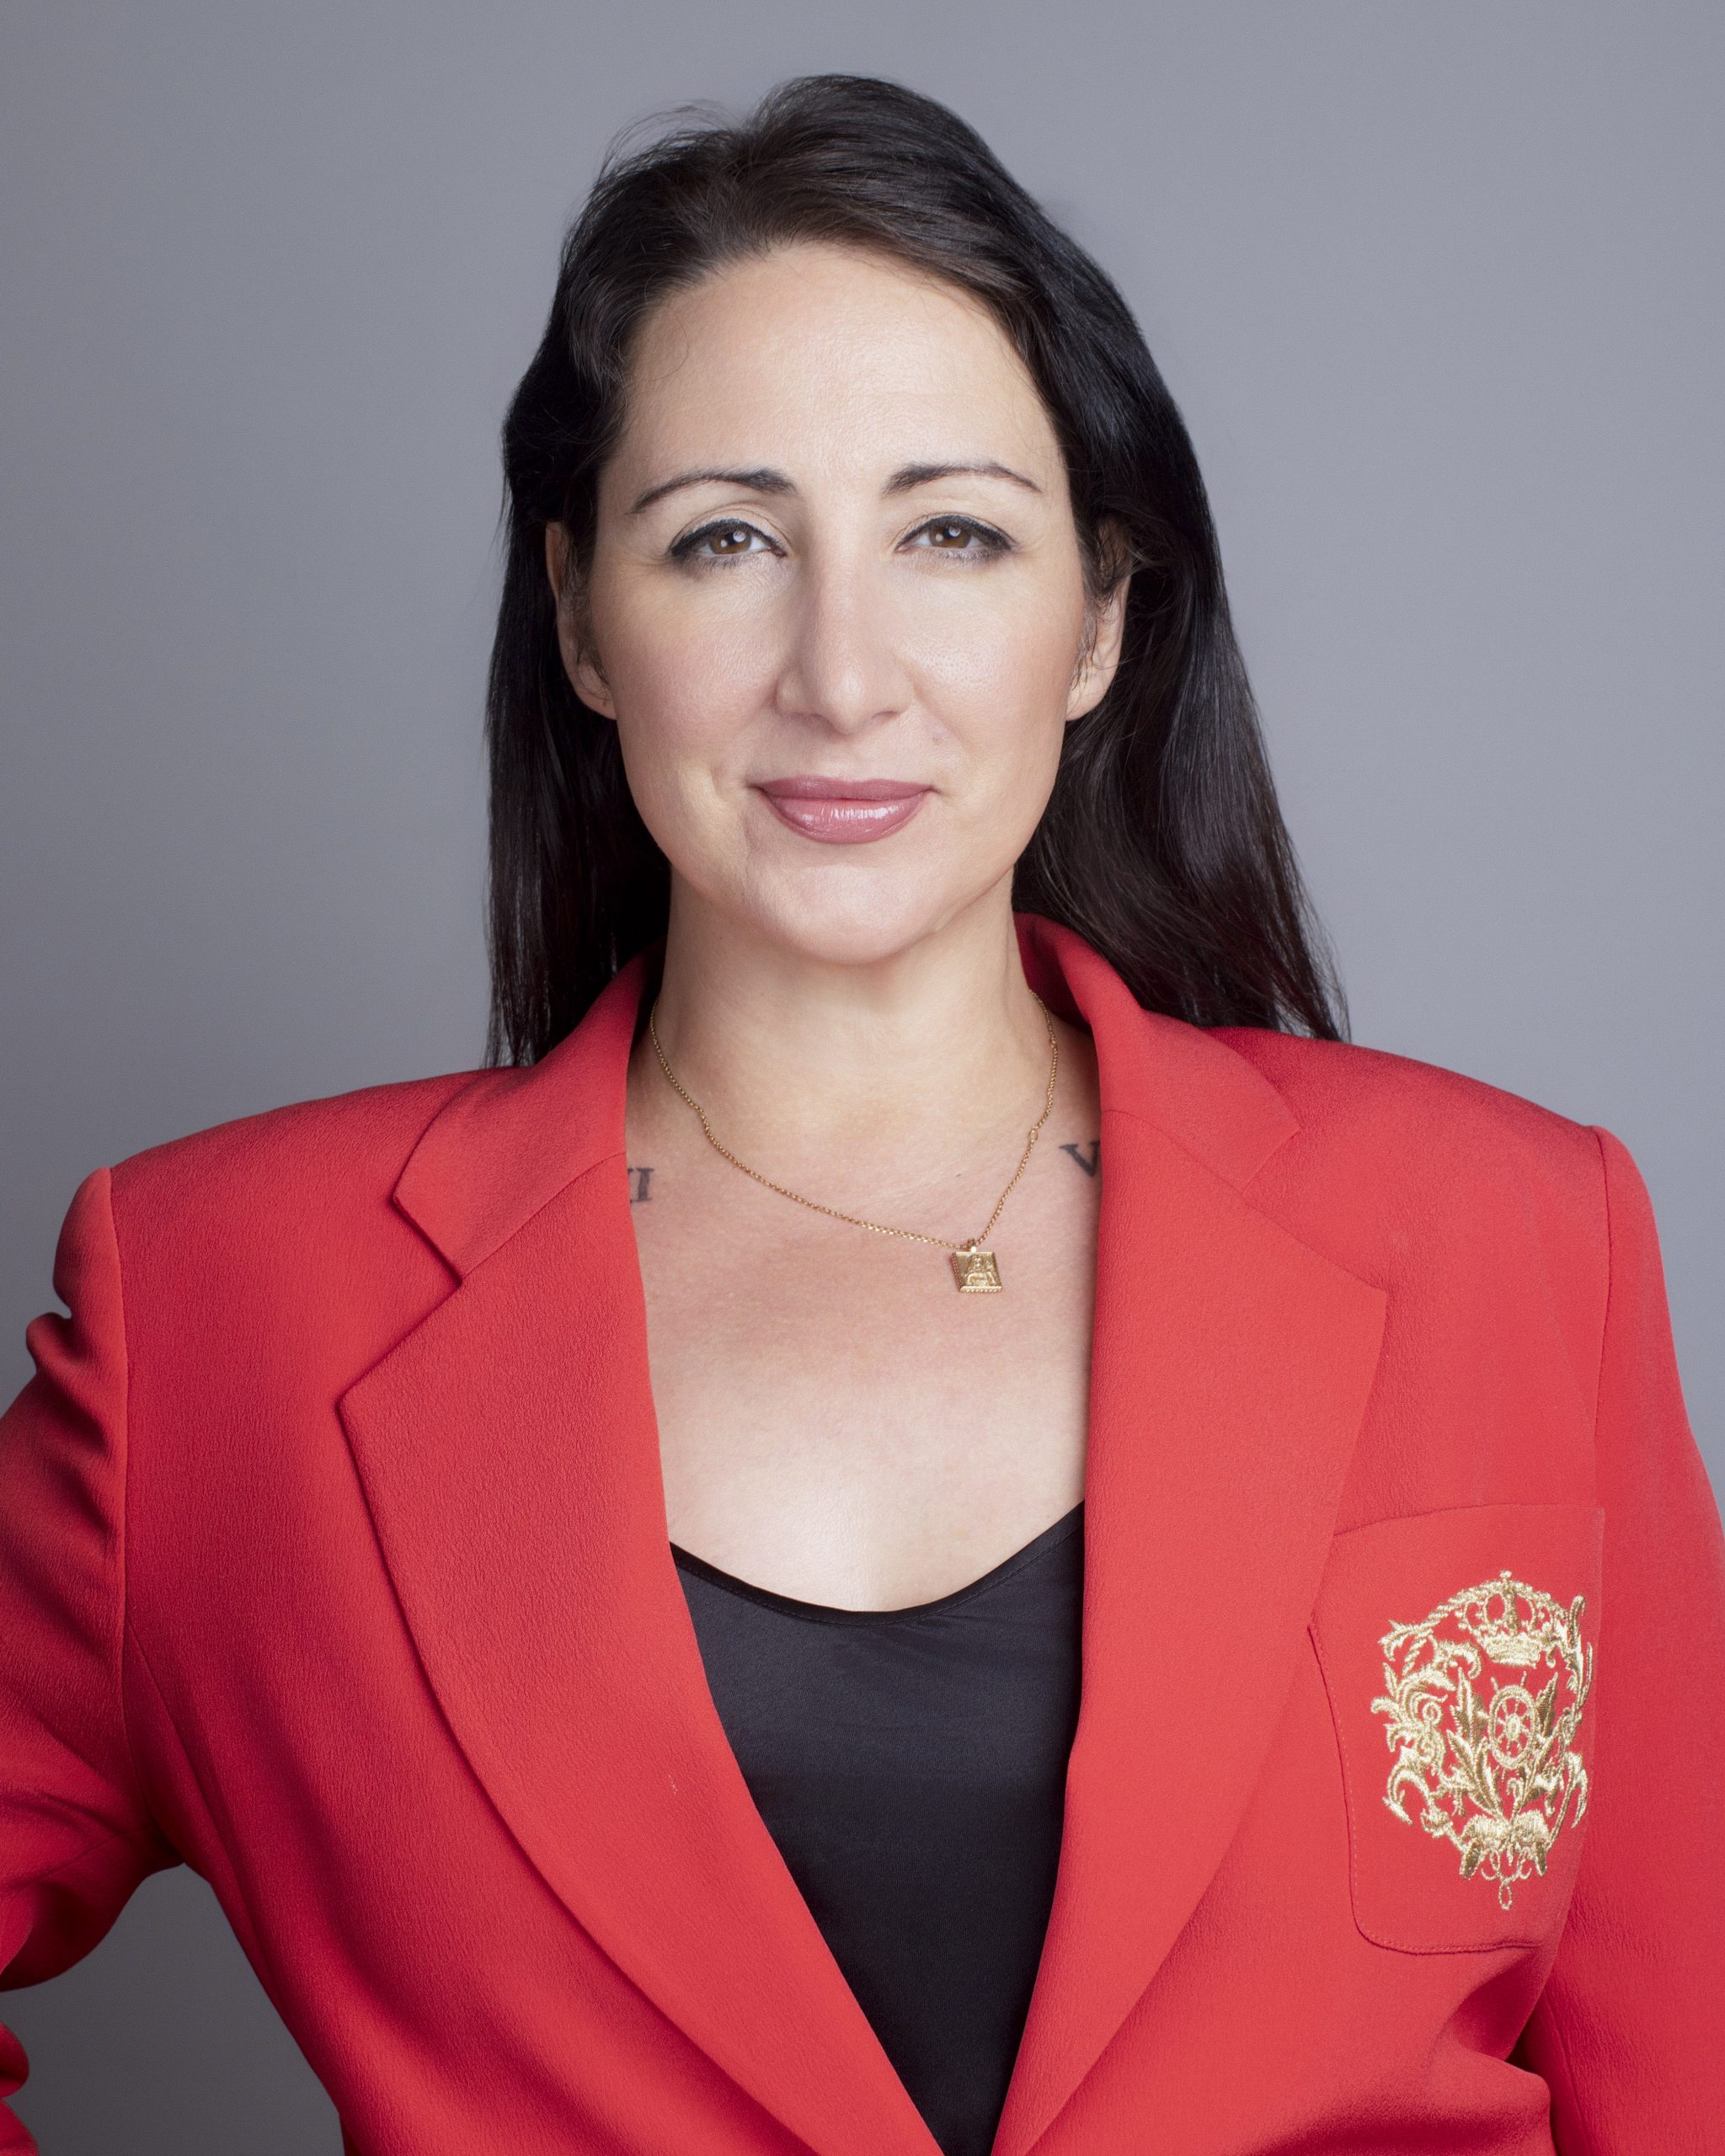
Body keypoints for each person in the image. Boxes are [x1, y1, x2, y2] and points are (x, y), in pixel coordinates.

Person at [2, 71, 1720, 2156]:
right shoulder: (224, 1312)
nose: (840, 672)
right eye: (725, 538)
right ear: (581, 613)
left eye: (951, 534)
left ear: (1098, 616)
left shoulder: (1514, 1238)